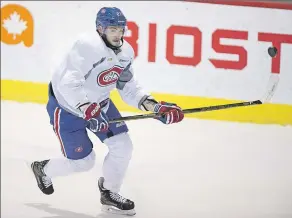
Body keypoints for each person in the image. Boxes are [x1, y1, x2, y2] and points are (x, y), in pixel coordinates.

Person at [31, 6, 184, 216]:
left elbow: (127, 87)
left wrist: (154, 106)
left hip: (101, 104)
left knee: (123, 146)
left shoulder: (126, 52)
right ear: (100, 29)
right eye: (112, 29)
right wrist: (87, 109)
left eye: (121, 29)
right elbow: (68, 83)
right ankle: (43, 169)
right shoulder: (86, 46)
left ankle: (110, 193)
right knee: (84, 162)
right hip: (67, 109)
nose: (118, 34)